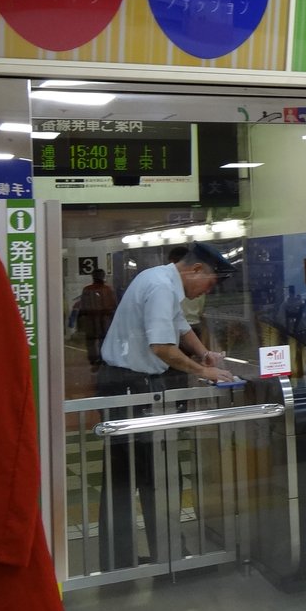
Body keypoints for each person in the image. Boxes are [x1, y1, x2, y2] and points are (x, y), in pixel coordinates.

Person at [94, 242, 237, 569]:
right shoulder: (161, 287)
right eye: (209, 284)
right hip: (133, 388)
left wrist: (204, 354)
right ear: (196, 269)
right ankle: (169, 559)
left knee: (125, 477)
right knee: (156, 475)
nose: (206, 292)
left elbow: (180, 326)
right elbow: (162, 347)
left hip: (124, 383)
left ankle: (120, 561)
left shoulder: (159, 279)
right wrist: (204, 371)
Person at [76, 267, 117, 368]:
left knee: (91, 340)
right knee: (104, 339)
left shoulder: (87, 289)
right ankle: (103, 357)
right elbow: (113, 305)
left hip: (91, 319)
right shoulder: (108, 289)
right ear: (103, 277)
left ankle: (94, 359)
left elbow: (83, 306)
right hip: (105, 319)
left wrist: (81, 318)